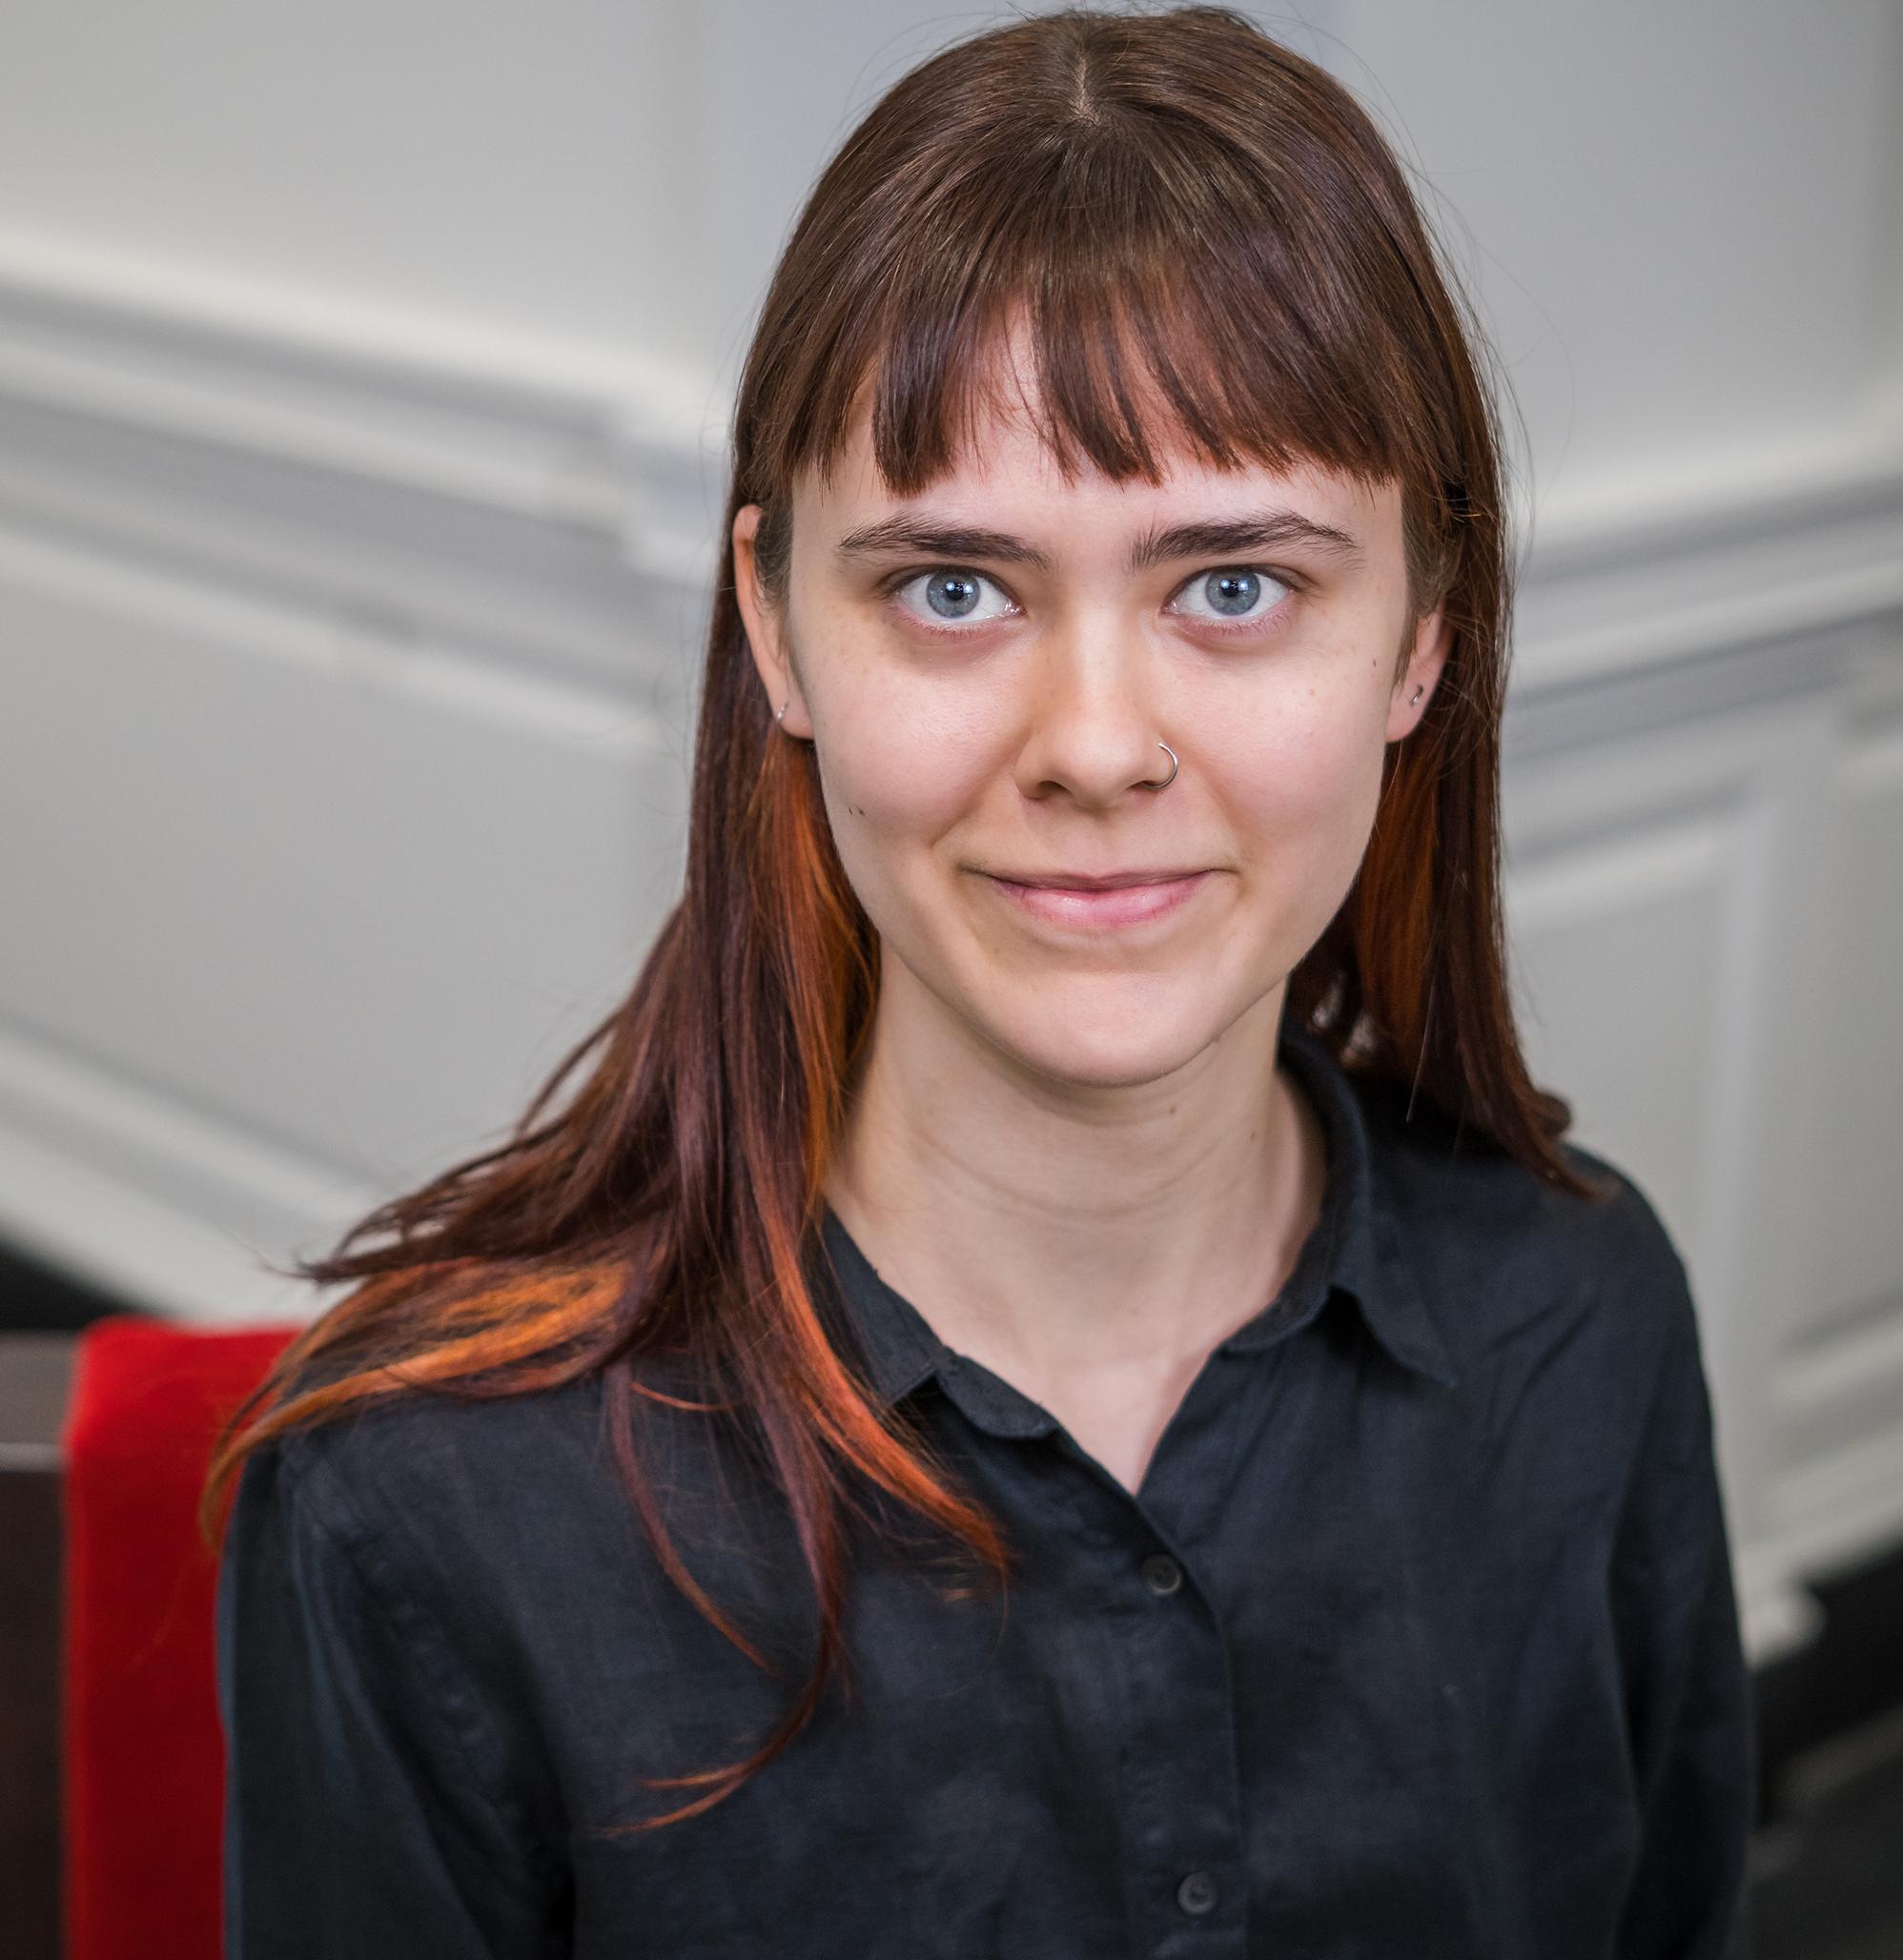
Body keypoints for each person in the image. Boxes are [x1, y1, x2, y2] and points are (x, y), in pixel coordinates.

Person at [205, 7, 1757, 1954]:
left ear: (1420, 643)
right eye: (953, 587)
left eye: (1231, 583)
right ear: (774, 625)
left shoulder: (1582, 1316)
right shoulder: (419, 1502)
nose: (1092, 744)